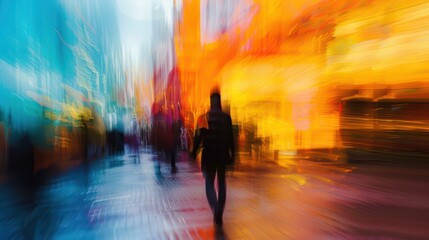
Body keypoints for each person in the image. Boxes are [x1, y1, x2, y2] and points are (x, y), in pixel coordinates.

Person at [192, 90, 235, 225]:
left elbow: (198, 138)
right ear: (220, 101)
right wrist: (233, 155)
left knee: (209, 184)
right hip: (222, 156)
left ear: (211, 102)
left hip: (209, 156)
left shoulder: (203, 118)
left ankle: (215, 208)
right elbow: (231, 139)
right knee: (222, 185)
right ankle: (219, 212)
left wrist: (194, 152)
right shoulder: (226, 118)